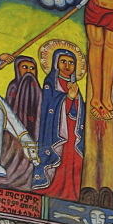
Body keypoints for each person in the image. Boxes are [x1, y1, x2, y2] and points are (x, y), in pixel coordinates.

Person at [33, 47, 84, 198]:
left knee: (72, 163)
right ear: (56, 63)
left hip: (72, 130)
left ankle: (71, 194)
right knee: (58, 160)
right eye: (63, 62)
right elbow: (49, 106)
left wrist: (75, 99)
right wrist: (68, 98)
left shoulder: (75, 86)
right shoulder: (50, 84)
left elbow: (79, 108)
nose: (67, 66)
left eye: (71, 63)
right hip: (56, 132)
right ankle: (50, 190)